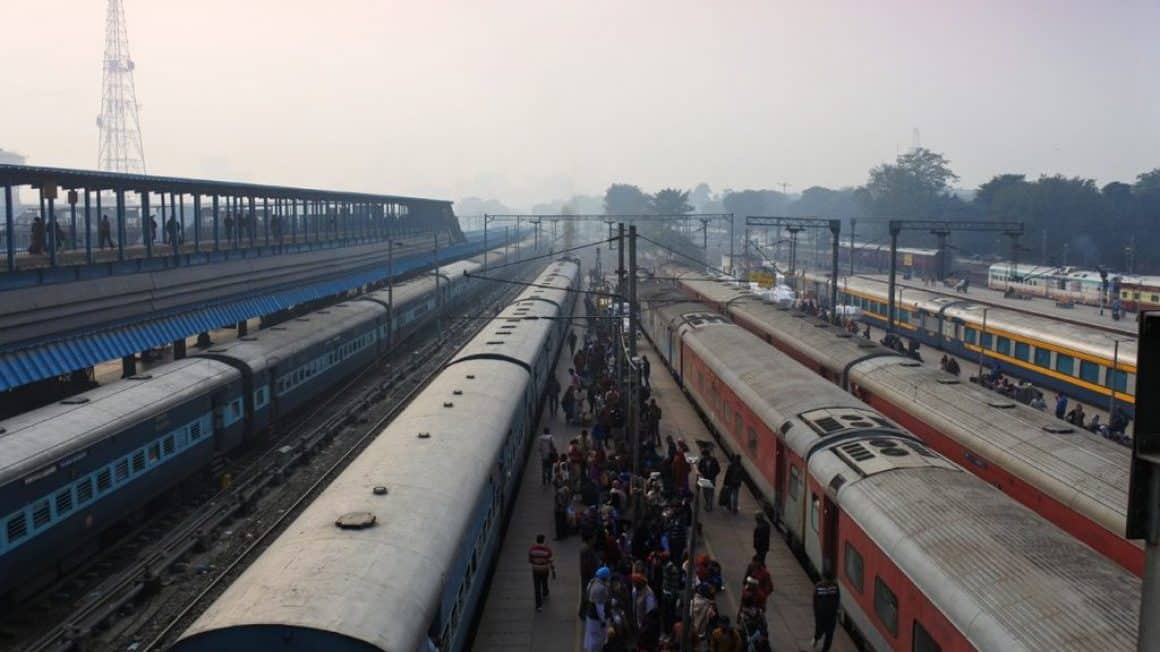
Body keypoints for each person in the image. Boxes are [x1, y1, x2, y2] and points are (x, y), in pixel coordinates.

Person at [584, 567, 611, 652]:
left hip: (589, 615)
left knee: (590, 637)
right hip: (596, 619)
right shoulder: (600, 589)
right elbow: (600, 608)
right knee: (597, 640)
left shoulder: (592, 582)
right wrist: (603, 620)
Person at [812, 571, 840, 651]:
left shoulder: (835, 586)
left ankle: (825, 649)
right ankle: (816, 638)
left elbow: (837, 598)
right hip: (821, 615)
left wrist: (836, 610)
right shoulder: (818, 587)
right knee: (819, 630)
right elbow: (815, 601)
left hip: (830, 615)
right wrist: (816, 612)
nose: (827, 582)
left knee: (829, 634)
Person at [528, 534, 555, 612]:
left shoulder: (532, 549)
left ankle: (538, 605)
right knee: (544, 581)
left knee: (537, 587)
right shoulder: (547, 549)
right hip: (544, 569)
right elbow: (549, 558)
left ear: (537, 540)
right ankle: (545, 592)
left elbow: (530, 560)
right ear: (543, 540)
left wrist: (536, 561)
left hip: (535, 570)